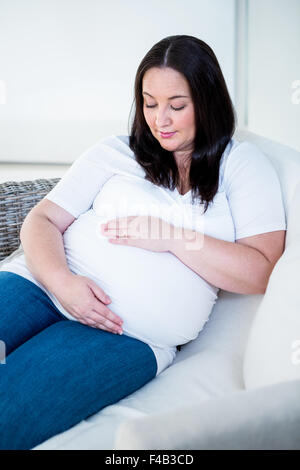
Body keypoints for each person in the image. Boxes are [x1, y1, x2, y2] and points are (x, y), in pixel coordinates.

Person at [0, 35, 286, 450]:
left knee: (10, 417)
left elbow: (260, 270)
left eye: (177, 105)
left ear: (207, 101)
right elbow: (42, 218)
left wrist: (172, 237)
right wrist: (62, 282)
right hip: (40, 284)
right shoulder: (117, 152)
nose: (160, 120)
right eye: (149, 103)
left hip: (125, 332)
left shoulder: (241, 166)